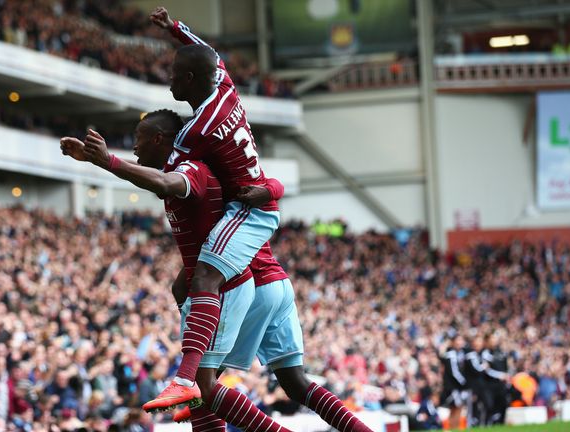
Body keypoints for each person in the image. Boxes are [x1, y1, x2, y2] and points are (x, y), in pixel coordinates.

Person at [62, 110, 372, 432]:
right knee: (293, 383)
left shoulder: (192, 169)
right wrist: (271, 190)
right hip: (274, 280)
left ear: (160, 139)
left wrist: (109, 162)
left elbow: (166, 184)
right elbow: (269, 184)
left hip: (242, 283)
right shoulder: (214, 167)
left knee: (202, 388)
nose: (135, 146)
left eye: (140, 138)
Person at [143, 7, 285, 410]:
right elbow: (206, 50)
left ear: (188, 79)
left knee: (204, 273)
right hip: (257, 203)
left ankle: (186, 377)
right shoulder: (224, 85)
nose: (168, 78)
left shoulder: (194, 133)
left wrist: (109, 163)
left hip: (248, 212)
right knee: (184, 284)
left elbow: (169, 179)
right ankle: (194, 379)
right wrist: (174, 29)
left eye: (173, 74)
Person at [440, 335, 468, 430]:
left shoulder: (461, 353)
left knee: (457, 409)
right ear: (452, 342)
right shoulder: (451, 354)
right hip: (452, 386)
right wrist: (464, 382)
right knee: (455, 408)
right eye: (457, 340)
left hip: (457, 386)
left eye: (461, 340)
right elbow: (454, 372)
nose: (460, 343)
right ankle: (451, 428)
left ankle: (454, 428)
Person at [482, 333, 509, 425]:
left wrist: (506, 375)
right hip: (489, 384)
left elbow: (505, 367)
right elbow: (487, 370)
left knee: (503, 404)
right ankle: (487, 425)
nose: (494, 341)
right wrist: (500, 375)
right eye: (492, 339)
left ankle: (500, 424)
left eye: (495, 338)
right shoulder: (485, 353)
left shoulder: (501, 352)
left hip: (501, 384)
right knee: (490, 405)